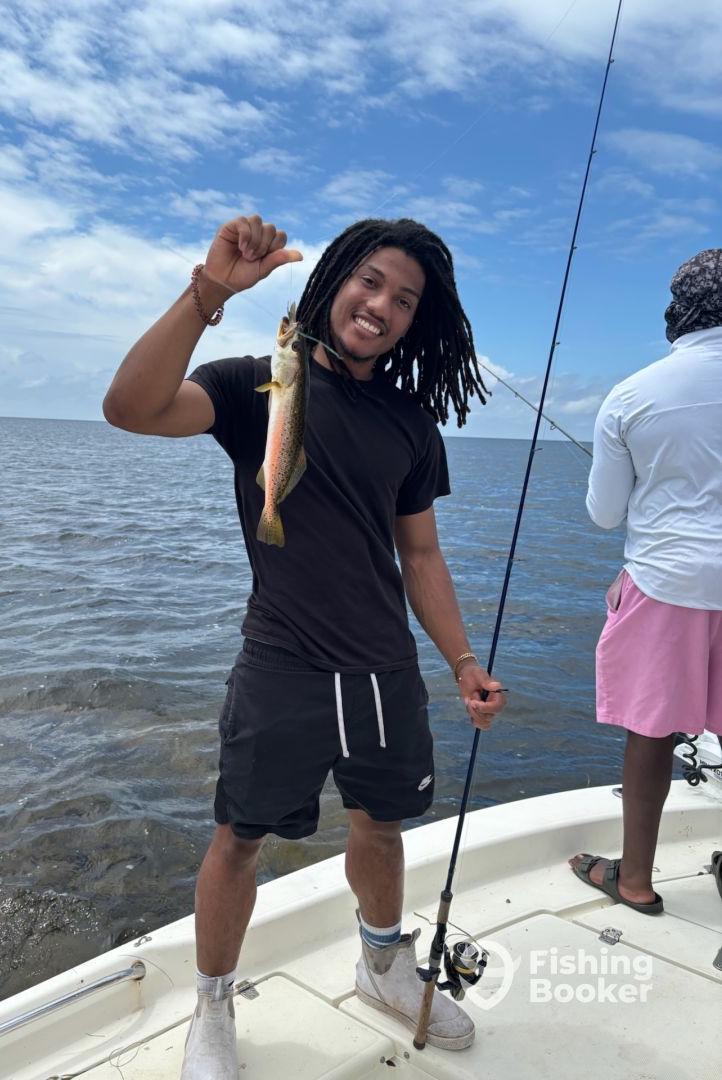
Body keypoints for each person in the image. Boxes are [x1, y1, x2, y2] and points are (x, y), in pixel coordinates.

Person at [103, 213, 506, 1078]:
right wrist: (209, 294)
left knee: (383, 829)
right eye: (370, 281)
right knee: (239, 840)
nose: (382, 306)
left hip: (383, 669)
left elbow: (421, 555)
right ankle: (213, 1007)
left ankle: (382, 965)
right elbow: (129, 409)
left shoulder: (410, 422)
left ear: (416, 323)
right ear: (333, 282)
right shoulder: (256, 383)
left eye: (405, 300)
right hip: (281, 663)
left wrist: (463, 662)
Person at [569, 248, 722, 915]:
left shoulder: (631, 396)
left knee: (650, 730)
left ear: (678, 308)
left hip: (664, 585)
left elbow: (605, 514)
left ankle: (634, 880)